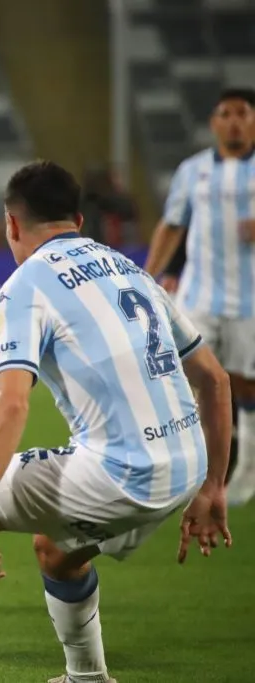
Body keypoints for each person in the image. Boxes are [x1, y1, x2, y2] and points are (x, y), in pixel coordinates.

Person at [0, 161, 233, 683]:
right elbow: (215, 381)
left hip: (123, 475)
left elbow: (13, 403)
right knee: (57, 548)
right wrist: (213, 487)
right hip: (186, 467)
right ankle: (87, 677)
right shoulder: (130, 269)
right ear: (79, 219)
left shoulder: (23, 288)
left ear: (12, 226)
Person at [144, 87, 255, 507]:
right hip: (199, 296)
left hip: (250, 301)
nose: (233, 121)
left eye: (242, 113)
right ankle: (189, 472)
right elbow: (172, 224)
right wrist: (148, 276)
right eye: (225, 113)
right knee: (189, 379)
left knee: (244, 383)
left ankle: (245, 471)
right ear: (213, 122)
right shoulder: (192, 171)